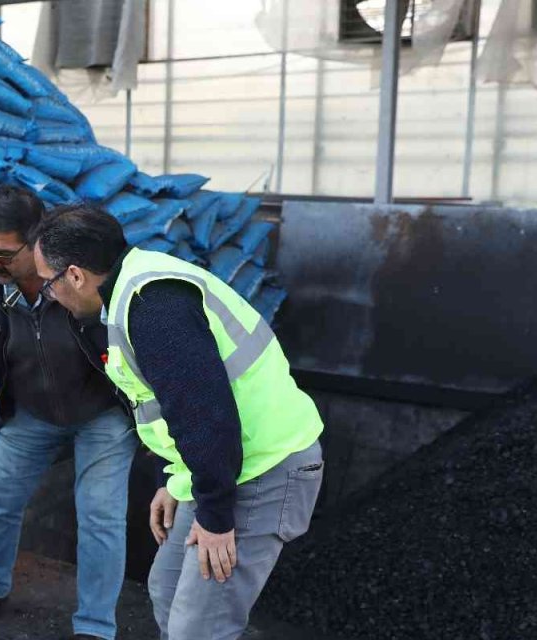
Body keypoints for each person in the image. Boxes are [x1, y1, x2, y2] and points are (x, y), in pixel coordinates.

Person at [30, 204, 325, 640]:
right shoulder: (128, 293)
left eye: (48, 283)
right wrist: (175, 480)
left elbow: (204, 415)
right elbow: (170, 408)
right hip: (226, 465)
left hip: (264, 468)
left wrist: (216, 517)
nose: (49, 295)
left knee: (198, 627)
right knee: (166, 589)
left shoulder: (153, 308)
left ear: (74, 275)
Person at [0, 186, 136, 640]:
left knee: (100, 514)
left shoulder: (79, 278)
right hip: (31, 412)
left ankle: (95, 625)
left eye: (3, 254)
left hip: (101, 411)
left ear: (38, 240)